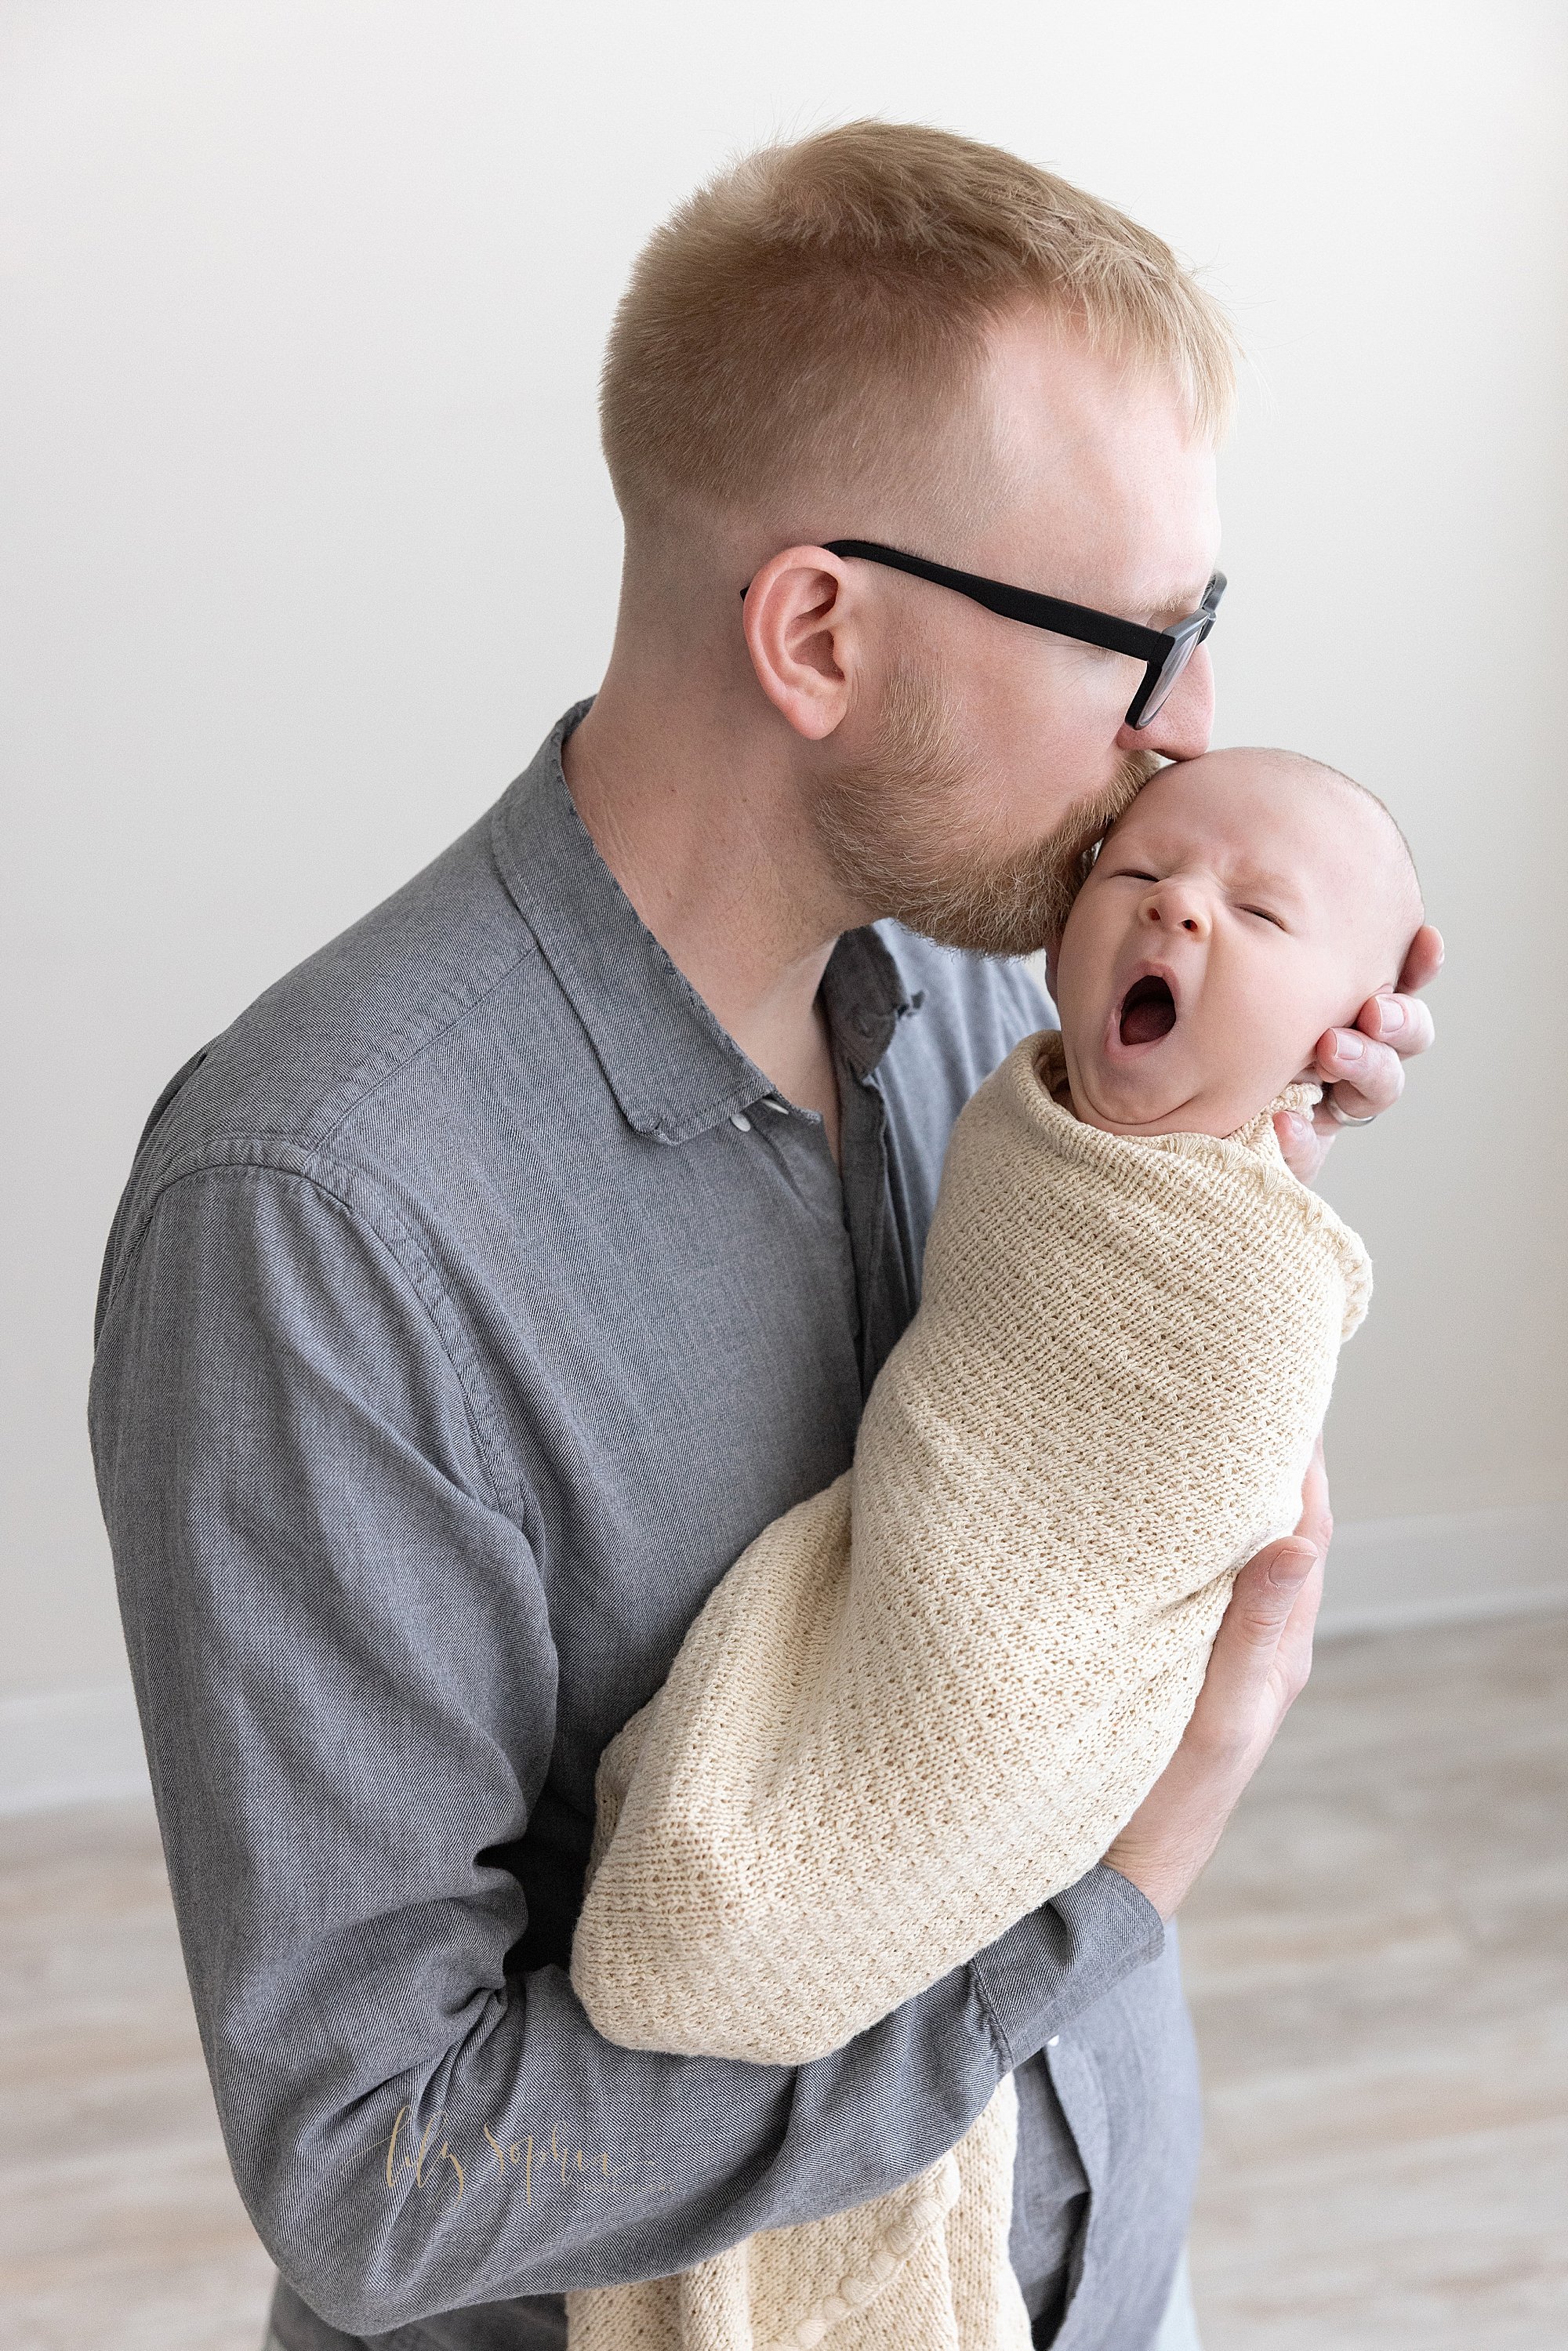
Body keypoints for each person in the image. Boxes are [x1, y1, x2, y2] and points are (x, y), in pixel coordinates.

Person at [87, 124, 1440, 2351]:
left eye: (1213, 628)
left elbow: (1035, 1521)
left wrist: (1223, 1167)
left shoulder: (1028, 977)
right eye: (1137, 643)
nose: (1189, 733)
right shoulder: (317, 1219)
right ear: (819, 632)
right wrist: (1125, 1885)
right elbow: (379, 2172)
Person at [563, 746, 1424, 2351]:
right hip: (898, 1587)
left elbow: (1151, 1513)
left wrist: (1263, 1152)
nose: (1175, 900)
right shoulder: (1009, 1101)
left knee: (819, 1849)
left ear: (1345, 1033)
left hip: (1032, 1701)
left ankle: (770, 1903)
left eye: (1256, 908)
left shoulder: (1254, 1279)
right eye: (1134, 872)